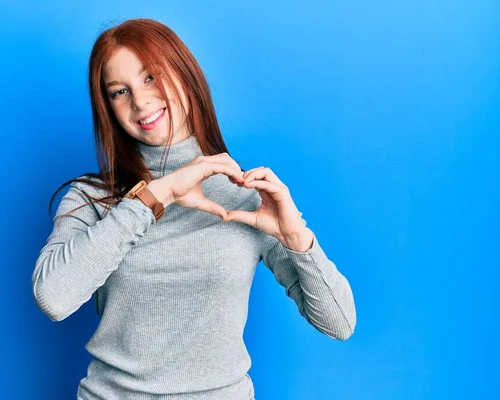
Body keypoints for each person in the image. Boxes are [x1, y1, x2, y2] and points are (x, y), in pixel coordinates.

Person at [32, 18, 356, 400]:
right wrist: (156, 195)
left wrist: (297, 239)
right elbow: (54, 298)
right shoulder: (92, 197)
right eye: (120, 91)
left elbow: (339, 322)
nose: (140, 101)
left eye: (151, 77)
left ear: (185, 75)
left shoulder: (245, 195)